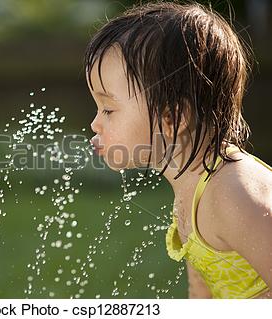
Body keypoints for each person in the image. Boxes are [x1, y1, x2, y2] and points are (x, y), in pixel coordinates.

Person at [84, 1, 271, 298]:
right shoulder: (190, 189)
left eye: (108, 109)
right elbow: (201, 294)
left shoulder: (233, 193)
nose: (95, 123)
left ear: (173, 118)